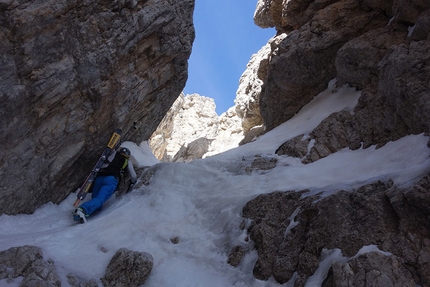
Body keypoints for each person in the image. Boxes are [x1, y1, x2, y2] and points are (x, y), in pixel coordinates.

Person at [73, 147, 137, 223]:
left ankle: (84, 214)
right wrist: (133, 182)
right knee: (100, 199)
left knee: (97, 201)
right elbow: (133, 176)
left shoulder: (113, 155)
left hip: (99, 179)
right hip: (111, 180)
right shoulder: (127, 161)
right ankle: (83, 210)